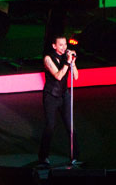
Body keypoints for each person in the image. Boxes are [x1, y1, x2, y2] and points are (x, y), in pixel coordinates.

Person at [39, 34, 80, 166]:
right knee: (50, 126)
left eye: (65, 45)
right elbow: (58, 75)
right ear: (54, 46)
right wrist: (67, 62)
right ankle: (43, 156)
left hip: (64, 95)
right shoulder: (48, 59)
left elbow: (76, 77)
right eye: (61, 45)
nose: (64, 47)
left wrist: (73, 63)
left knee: (70, 126)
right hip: (51, 96)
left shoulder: (67, 57)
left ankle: (75, 156)